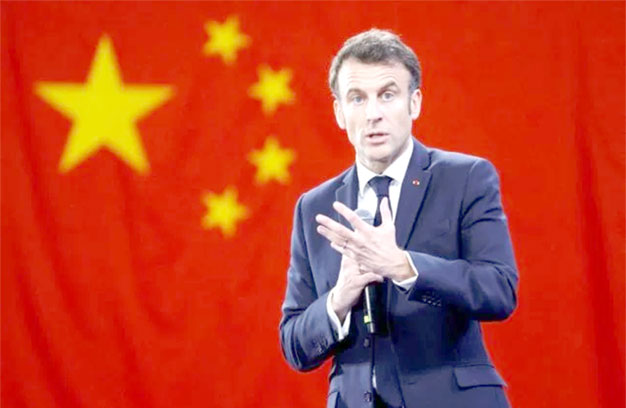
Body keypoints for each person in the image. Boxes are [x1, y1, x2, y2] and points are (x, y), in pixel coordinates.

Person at [279, 29, 518, 408]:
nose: (373, 113)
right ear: (339, 112)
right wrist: (339, 298)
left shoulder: (466, 177)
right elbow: (294, 345)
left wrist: (404, 266)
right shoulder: (315, 207)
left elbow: (499, 290)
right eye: (357, 98)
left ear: (414, 103)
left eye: (387, 95)